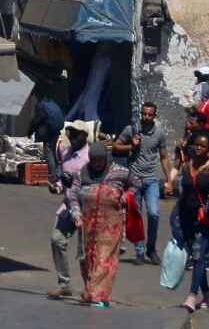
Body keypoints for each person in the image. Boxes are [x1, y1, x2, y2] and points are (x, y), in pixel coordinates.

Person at [169, 131, 209, 312]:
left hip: (205, 218)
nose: (199, 148)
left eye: (203, 146)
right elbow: (177, 168)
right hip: (187, 216)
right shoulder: (187, 164)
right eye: (197, 145)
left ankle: (192, 297)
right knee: (195, 257)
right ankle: (207, 296)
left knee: (198, 256)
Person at [73, 144, 130, 306]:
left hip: (110, 225)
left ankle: (99, 296)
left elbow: (136, 184)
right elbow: (72, 193)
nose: (97, 163)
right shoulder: (83, 173)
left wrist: (126, 196)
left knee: (104, 258)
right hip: (87, 224)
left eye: (100, 160)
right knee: (88, 259)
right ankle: (89, 291)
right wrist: (76, 212)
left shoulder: (119, 172)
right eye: (94, 160)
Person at [112, 102, 166, 264]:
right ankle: (140, 251)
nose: (146, 117)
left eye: (150, 115)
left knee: (154, 214)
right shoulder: (131, 130)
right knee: (136, 217)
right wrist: (131, 145)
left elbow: (164, 157)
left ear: (154, 116)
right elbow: (115, 147)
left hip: (152, 179)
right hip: (134, 179)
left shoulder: (159, 133)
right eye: (144, 114)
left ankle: (151, 248)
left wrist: (169, 180)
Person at [47, 123, 92, 299]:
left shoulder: (90, 156)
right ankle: (64, 284)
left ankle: (91, 288)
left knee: (87, 250)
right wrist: (56, 187)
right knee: (57, 240)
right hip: (68, 207)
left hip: (86, 207)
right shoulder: (65, 154)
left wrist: (74, 184)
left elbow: (95, 182)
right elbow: (62, 181)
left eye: (76, 134)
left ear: (84, 136)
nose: (72, 137)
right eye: (70, 133)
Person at [30, 94, 65, 189]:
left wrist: (30, 131)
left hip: (48, 134)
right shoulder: (52, 104)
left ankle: (52, 178)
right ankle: (58, 175)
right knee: (53, 154)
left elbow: (36, 120)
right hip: (55, 132)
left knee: (49, 155)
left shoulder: (41, 106)